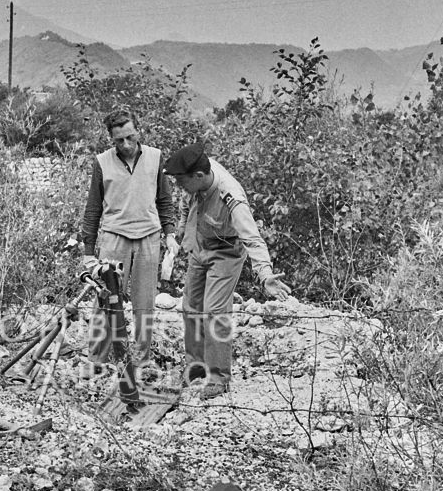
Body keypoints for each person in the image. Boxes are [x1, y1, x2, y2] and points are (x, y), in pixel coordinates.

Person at [162, 140, 290, 400]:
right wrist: (183, 236)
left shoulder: (231, 195)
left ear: (198, 176)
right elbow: (189, 204)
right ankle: (195, 367)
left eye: (181, 181)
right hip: (200, 246)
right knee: (190, 307)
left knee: (215, 312)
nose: (179, 186)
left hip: (226, 252)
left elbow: (252, 237)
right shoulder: (198, 177)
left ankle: (218, 377)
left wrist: (265, 274)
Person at [81, 108, 178, 372]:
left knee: (144, 303)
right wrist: (89, 251)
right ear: (111, 139)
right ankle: (97, 361)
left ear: (138, 132)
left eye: (130, 137)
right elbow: (93, 209)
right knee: (105, 299)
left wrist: (170, 234)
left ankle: (142, 361)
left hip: (148, 236)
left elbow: (164, 200)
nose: (126, 144)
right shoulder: (102, 162)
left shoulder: (156, 158)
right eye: (119, 140)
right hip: (114, 237)